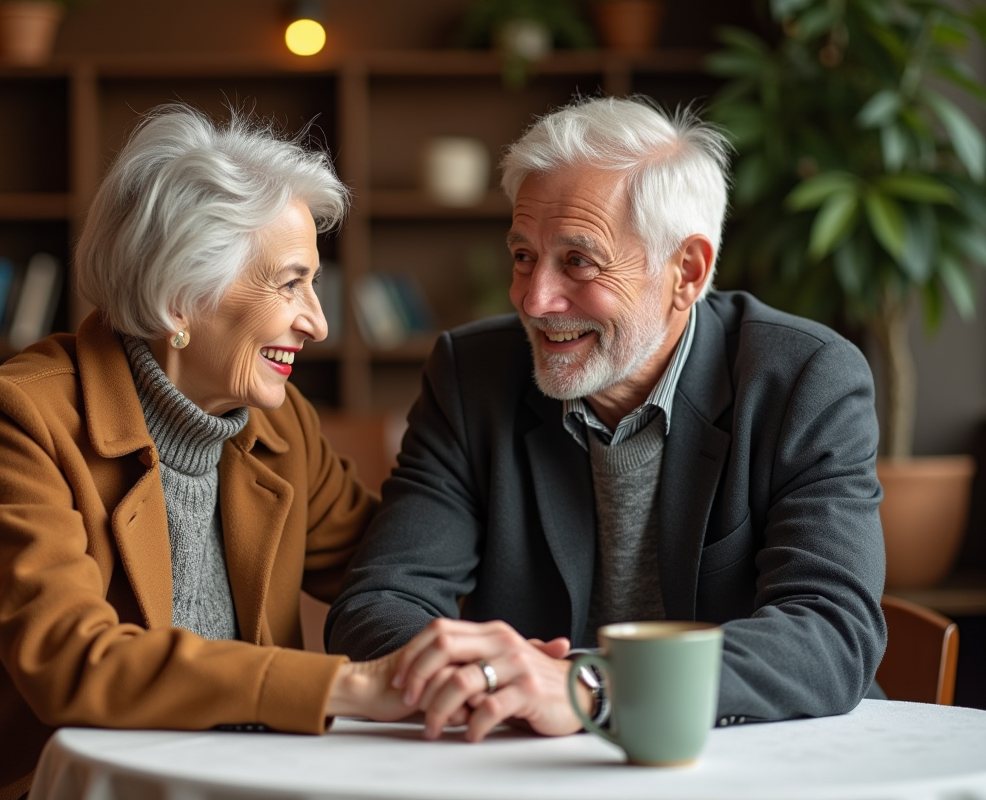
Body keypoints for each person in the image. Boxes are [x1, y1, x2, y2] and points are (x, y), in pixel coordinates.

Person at [0, 106, 407, 800]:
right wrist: (350, 684)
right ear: (179, 299)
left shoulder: (283, 430)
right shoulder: (11, 419)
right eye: (291, 283)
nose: (316, 321)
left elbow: (396, 570)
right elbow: (72, 660)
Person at [327, 96, 888, 742]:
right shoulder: (469, 376)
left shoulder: (805, 380)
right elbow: (377, 605)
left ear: (687, 271)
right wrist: (494, 679)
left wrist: (591, 687)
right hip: (529, 772)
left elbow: (830, 630)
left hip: (758, 763)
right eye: (522, 256)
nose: (534, 301)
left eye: (578, 261)